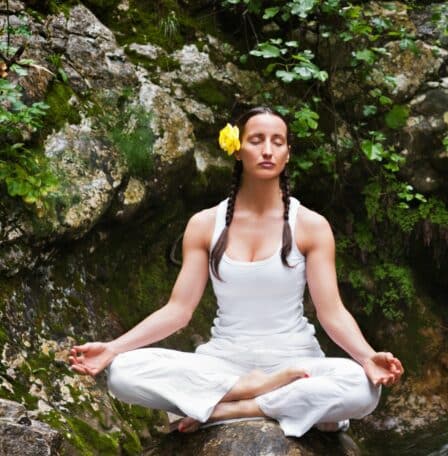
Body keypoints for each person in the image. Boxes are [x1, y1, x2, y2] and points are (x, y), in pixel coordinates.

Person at [68, 106, 404, 436]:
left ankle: (236, 408)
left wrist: (367, 356)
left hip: (296, 361)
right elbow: (178, 311)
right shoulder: (204, 225)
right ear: (237, 149)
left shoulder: (310, 226)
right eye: (257, 140)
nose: (268, 150)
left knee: (362, 387)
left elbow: (331, 313)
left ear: (288, 153)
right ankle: (263, 394)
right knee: (122, 372)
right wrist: (113, 348)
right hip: (224, 364)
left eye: (278, 141)